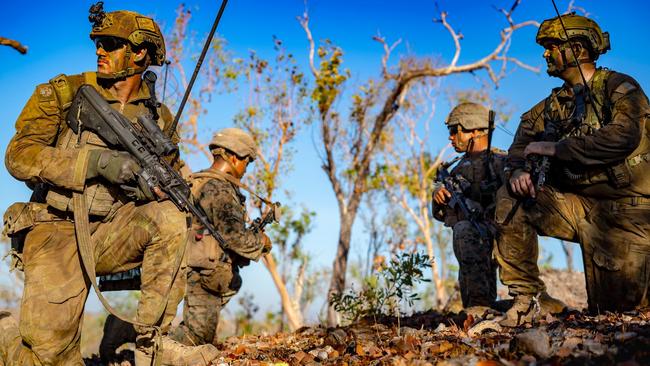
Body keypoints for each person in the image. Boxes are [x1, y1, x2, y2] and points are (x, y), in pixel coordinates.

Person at [0, 3, 219, 365]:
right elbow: (19, 156)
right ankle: (8, 334)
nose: (100, 50)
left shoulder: (157, 117)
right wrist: (96, 162)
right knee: (50, 356)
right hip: (57, 228)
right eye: (99, 43)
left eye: (112, 44)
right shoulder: (64, 93)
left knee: (169, 216)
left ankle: (150, 342)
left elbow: (173, 175)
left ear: (140, 53)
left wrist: (161, 187)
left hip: (114, 231)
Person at [495, 13, 650, 327]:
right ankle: (528, 300)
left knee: (621, 317)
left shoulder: (620, 88)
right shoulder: (548, 108)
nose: (545, 54)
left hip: (628, 214)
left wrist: (556, 148)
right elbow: (518, 148)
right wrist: (517, 172)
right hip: (575, 207)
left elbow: (622, 137)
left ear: (577, 49)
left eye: (552, 46)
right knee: (509, 197)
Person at [99, 128, 273, 360]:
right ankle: (129, 333)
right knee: (197, 336)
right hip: (204, 272)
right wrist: (261, 242)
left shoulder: (198, 181)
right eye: (246, 163)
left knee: (194, 327)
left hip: (192, 265)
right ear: (234, 157)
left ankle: (130, 331)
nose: (245, 169)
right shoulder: (219, 188)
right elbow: (235, 237)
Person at [431, 102, 506, 314]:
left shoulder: (502, 162)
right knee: (463, 229)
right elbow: (442, 215)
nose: (450, 137)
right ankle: (479, 306)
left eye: (455, 130)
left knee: (465, 230)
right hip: (473, 241)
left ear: (473, 130)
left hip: (504, 236)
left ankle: (488, 306)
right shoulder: (455, 170)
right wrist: (438, 198)